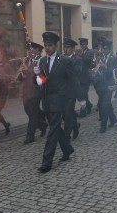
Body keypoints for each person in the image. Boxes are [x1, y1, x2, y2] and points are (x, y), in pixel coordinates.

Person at [34, 32, 85, 173]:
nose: (47, 48)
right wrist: (37, 75)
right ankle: (67, 149)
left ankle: (46, 162)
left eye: (50, 45)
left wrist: (81, 98)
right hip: (46, 102)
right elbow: (42, 82)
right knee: (56, 128)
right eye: (45, 46)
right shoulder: (42, 61)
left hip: (59, 100)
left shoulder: (64, 61)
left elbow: (73, 80)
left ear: (55, 46)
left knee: (52, 132)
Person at [16, 42, 47, 144]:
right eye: (29, 49)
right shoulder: (27, 60)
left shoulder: (41, 61)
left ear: (38, 51)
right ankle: (43, 124)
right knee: (29, 111)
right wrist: (20, 73)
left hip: (36, 90)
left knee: (33, 113)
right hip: (26, 90)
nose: (30, 51)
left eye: (32, 49)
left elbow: (41, 77)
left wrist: (28, 70)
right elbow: (22, 78)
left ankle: (30, 135)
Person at [95, 39, 117, 133]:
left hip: (109, 85)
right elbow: (97, 68)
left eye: (106, 49)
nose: (104, 51)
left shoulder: (114, 59)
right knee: (106, 104)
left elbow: (115, 71)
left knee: (104, 105)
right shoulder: (100, 57)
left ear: (110, 49)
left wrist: (105, 67)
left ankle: (103, 125)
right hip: (100, 84)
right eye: (103, 49)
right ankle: (113, 119)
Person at [62, 38, 83, 141]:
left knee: (68, 112)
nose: (66, 49)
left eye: (68, 47)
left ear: (73, 49)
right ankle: (75, 125)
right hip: (62, 90)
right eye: (65, 47)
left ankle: (66, 135)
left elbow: (78, 72)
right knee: (64, 113)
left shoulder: (77, 59)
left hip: (72, 90)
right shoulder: (61, 58)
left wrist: (69, 63)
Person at [78, 37, 95, 116]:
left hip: (87, 76)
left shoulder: (90, 52)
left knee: (83, 93)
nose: (82, 46)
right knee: (82, 93)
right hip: (80, 76)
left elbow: (90, 62)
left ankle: (83, 110)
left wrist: (82, 56)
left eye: (84, 44)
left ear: (87, 44)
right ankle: (89, 105)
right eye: (81, 44)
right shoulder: (79, 52)